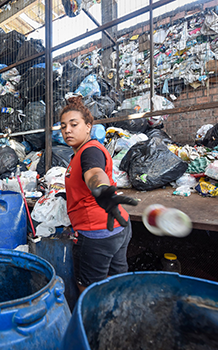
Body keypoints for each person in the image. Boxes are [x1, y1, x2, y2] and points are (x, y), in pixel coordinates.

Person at [60, 96, 138, 293]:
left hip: (96, 233)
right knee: (115, 284)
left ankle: (92, 322)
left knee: (89, 290)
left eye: (73, 124)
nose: (67, 130)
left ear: (88, 126)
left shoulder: (90, 151)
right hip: (117, 228)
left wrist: (101, 189)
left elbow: (94, 173)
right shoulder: (80, 153)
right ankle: (116, 318)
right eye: (62, 126)